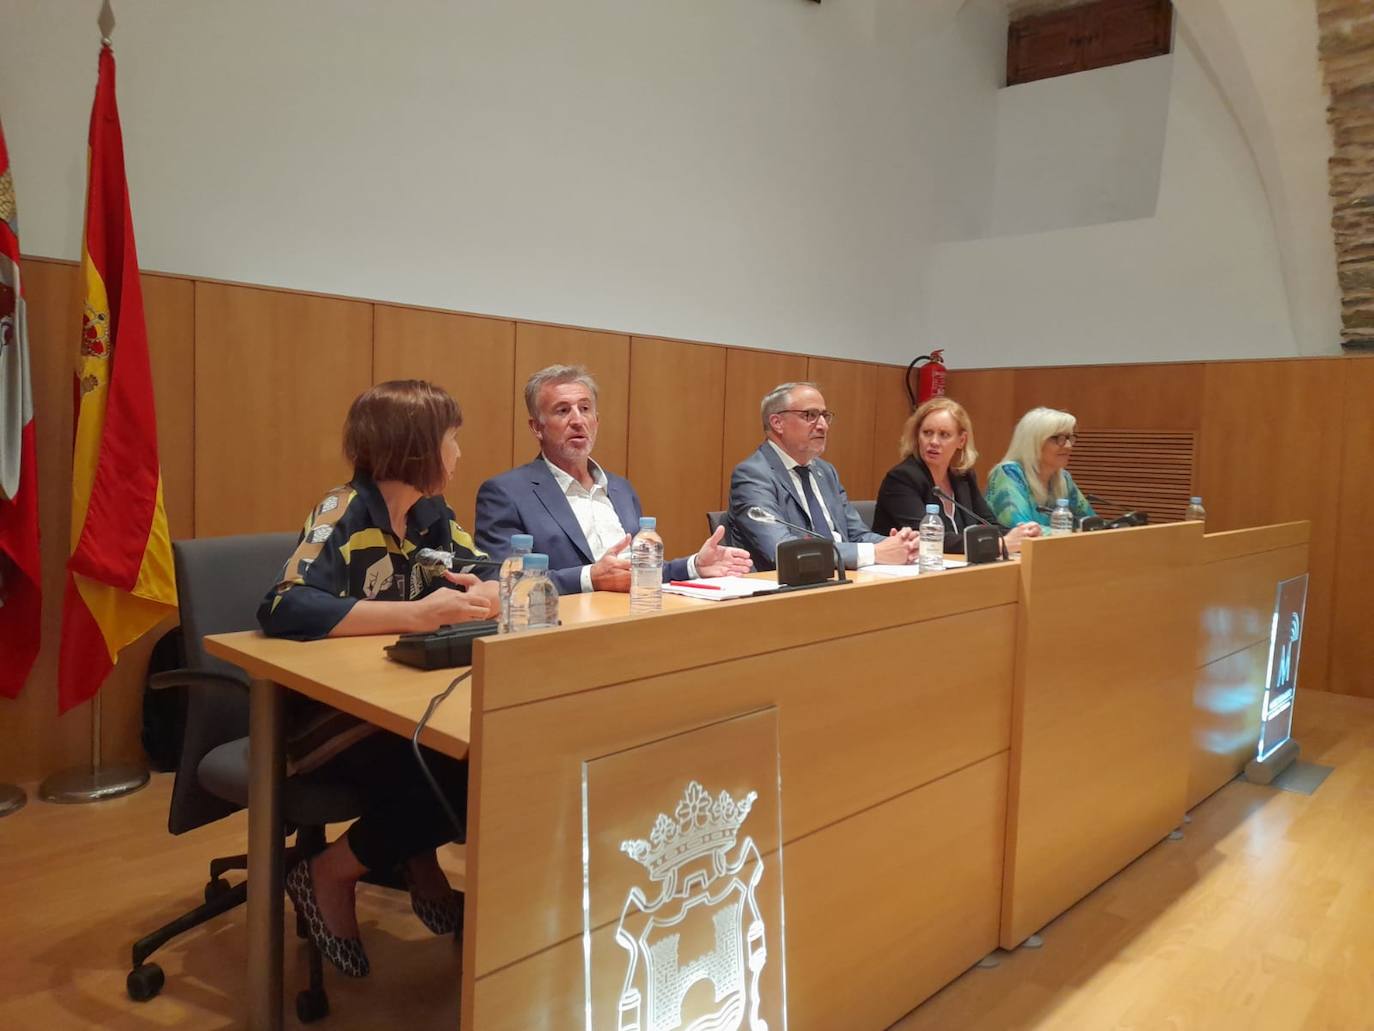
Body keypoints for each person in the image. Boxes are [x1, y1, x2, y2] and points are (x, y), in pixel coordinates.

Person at [258, 380, 497, 978]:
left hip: (397, 703)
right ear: (418, 448)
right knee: (460, 772)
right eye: (451, 439)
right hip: (324, 715)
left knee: (494, 754)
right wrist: (416, 615)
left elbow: (485, 570)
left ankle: (408, 850)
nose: (458, 453)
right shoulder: (342, 510)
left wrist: (493, 587)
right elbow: (284, 605)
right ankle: (328, 872)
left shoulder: (432, 516)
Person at [475, 364, 752, 594]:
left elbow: (637, 570)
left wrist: (695, 566)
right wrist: (589, 577)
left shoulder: (620, 488)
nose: (577, 420)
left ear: (597, 420)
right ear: (537, 427)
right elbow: (502, 579)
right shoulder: (506, 493)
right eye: (562, 410)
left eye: (585, 409)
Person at [729, 381, 918, 571]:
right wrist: (875, 553)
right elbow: (784, 551)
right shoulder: (753, 475)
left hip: (844, 580)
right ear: (777, 423)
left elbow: (857, 535)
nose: (823, 426)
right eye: (810, 415)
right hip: (788, 591)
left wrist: (899, 545)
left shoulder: (826, 472)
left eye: (825, 416)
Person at [872, 397, 1040, 553]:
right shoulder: (902, 478)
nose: (934, 442)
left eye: (944, 435)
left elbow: (988, 524)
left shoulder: (963, 477)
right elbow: (929, 538)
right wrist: (999, 544)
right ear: (917, 436)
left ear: (961, 440)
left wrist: (1021, 534)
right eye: (927, 433)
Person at [985, 406, 1096, 529]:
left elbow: (1090, 523)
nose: (1069, 446)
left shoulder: (1063, 478)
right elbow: (1022, 529)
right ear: (1034, 442)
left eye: (1070, 438)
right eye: (1059, 439)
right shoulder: (1009, 473)